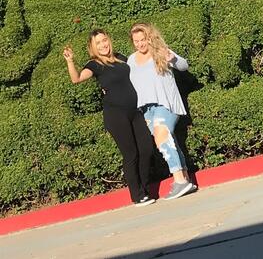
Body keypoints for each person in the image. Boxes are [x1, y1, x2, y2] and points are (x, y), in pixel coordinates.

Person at [63, 29, 155, 207]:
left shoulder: (121, 58)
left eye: (104, 40)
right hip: (116, 114)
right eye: (98, 43)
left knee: (146, 149)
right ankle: (137, 196)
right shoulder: (94, 64)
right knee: (131, 154)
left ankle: (144, 189)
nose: (103, 45)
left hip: (135, 111)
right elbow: (77, 79)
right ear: (93, 47)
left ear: (109, 40)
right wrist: (70, 61)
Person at [128, 22, 196, 200]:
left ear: (149, 37)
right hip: (146, 109)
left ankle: (179, 181)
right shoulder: (131, 60)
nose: (140, 44)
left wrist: (171, 58)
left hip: (165, 104)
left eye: (143, 39)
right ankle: (185, 179)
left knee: (162, 137)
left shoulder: (160, 51)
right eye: (136, 41)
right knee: (167, 140)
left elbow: (184, 65)